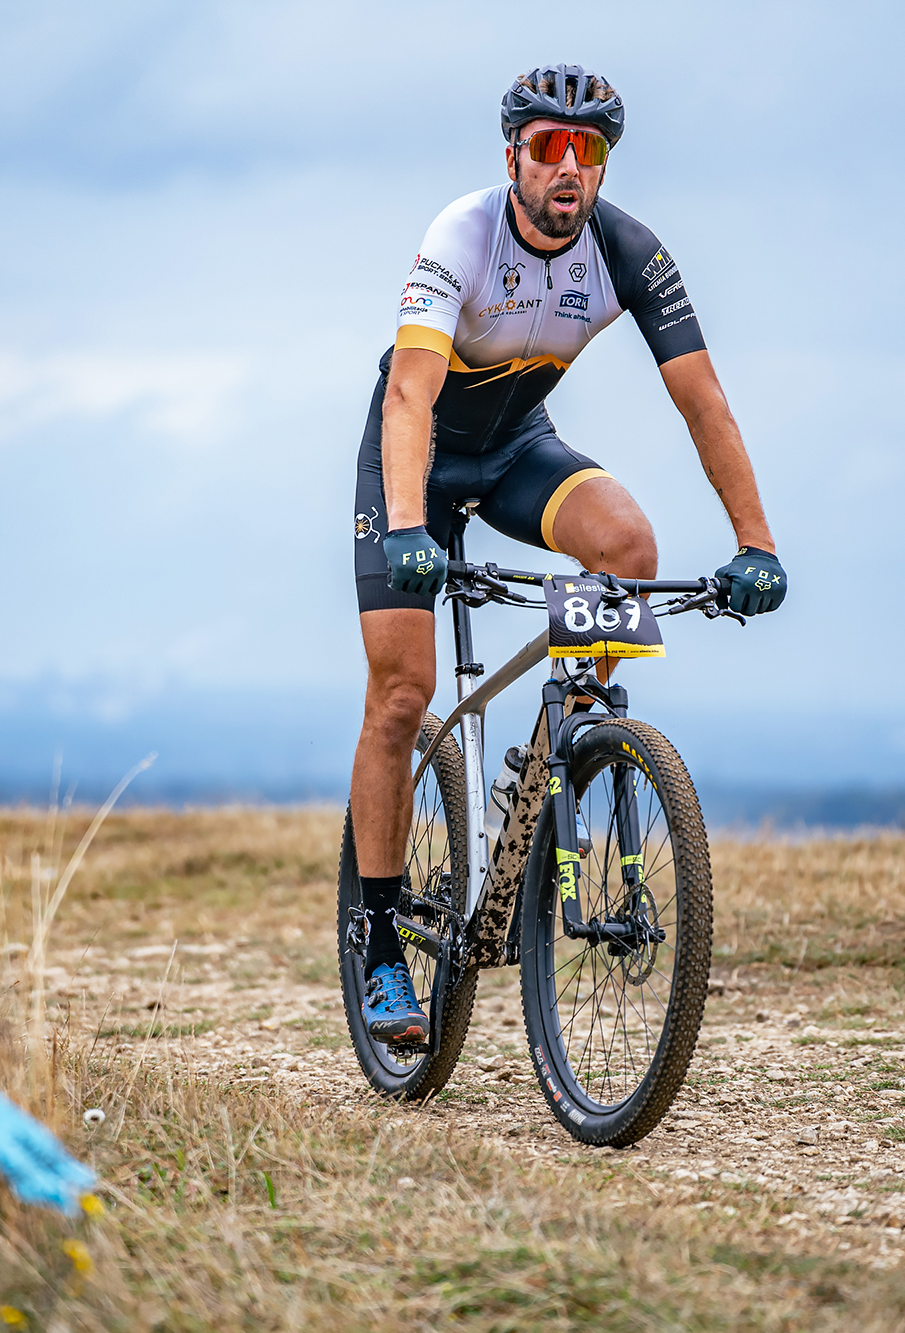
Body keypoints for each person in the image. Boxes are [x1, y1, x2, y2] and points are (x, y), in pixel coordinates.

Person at [348, 66, 786, 1045]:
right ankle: (378, 943)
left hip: (513, 451)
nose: (567, 167)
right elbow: (410, 396)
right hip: (413, 463)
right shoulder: (460, 236)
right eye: (548, 147)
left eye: (587, 151)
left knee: (627, 543)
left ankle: (572, 741)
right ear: (513, 157)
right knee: (401, 693)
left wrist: (754, 542)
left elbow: (702, 401)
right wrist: (410, 528)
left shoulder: (627, 251)